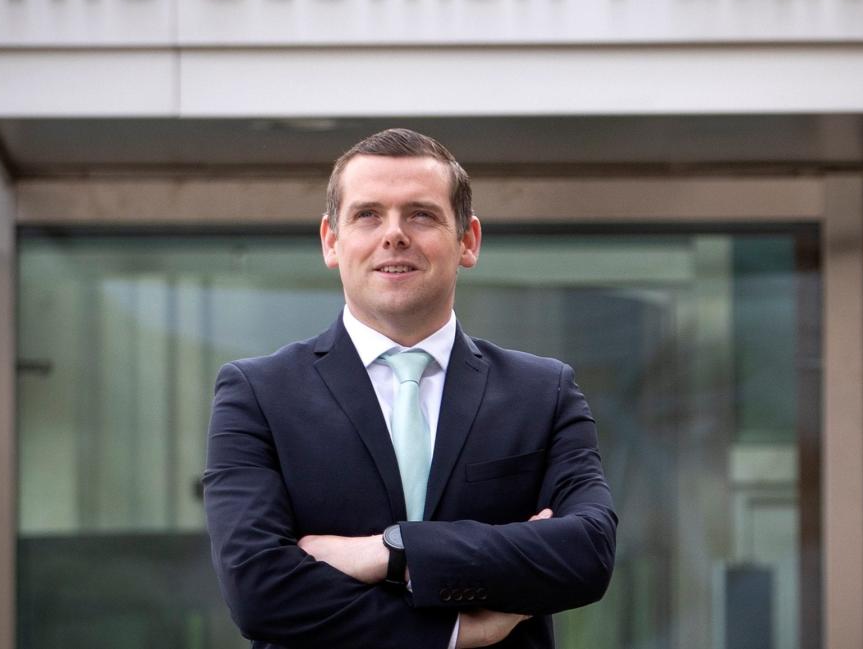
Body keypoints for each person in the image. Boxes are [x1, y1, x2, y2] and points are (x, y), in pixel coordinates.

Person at [203, 128, 617, 649]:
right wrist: (454, 630)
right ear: (332, 241)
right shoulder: (257, 395)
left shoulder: (543, 392)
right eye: (368, 214)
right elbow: (258, 590)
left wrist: (392, 551)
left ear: (468, 241)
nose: (394, 234)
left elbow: (587, 554)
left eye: (421, 214)